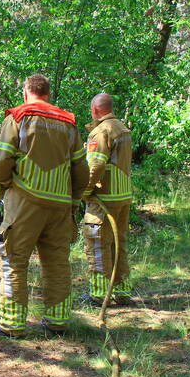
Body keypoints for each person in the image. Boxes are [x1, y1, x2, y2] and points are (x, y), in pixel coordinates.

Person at [0, 74, 88, 337]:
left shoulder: (18, 117)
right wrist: (73, 202)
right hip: (60, 206)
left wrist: (5, 181)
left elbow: (0, 159)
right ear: (48, 93)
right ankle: (57, 322)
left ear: (26, 92)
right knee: (57, 262)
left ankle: (12, 325)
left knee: (15, 260)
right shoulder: (68, 124)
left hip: (25, 202)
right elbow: (81, 169)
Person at [77, 93, 134, 308]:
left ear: (94, 110)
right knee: (118, 245)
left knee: (97, 242)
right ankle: (121, 291)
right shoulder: (122, 128)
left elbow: (96, 165)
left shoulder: (102, 131)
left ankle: (100, 295)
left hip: (104, 198)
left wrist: (85, 190)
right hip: (122, 197)